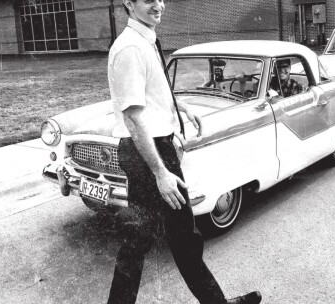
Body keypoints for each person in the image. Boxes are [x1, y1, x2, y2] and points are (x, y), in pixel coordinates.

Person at [106, 1, 262, 304]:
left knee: (141, 239)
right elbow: (133, 117)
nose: (158, 4)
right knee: (179, 238)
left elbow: (150, 94)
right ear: (128, 2)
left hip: (149, 149)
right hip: (148, 154)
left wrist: (180, 109)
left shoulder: (145, 40)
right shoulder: (130, 48)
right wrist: (161, 172)